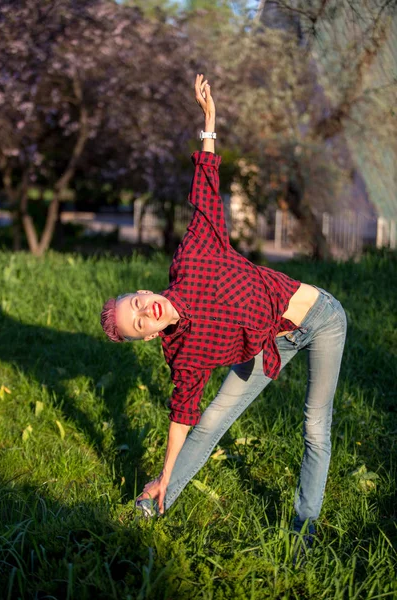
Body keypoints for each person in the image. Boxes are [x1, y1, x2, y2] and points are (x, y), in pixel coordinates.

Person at [100, 74, 347, 542]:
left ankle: (304, 524)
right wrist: (164, 475)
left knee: (316, 425)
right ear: (150, 336)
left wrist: (209, 122)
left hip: (322, 318)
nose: (144, 312)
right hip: (269, 344)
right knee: (210, 420)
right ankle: (158, 501)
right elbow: (183, 414)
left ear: (143, 291)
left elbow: (206, 188)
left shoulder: (193, 256)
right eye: (137, 324)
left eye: (137, 303)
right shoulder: (183, 353)